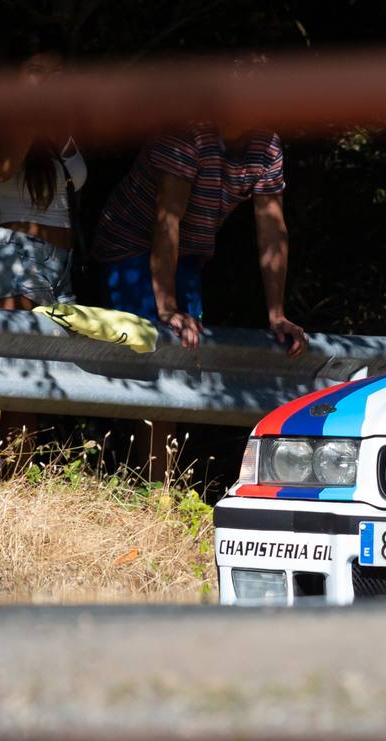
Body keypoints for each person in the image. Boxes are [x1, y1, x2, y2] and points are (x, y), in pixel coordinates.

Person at [92, 59, 308, 476]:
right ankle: (149, 484)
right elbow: (165, 222)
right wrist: (167, 306)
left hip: (190, 251)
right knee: (153, 354)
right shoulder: (188, 132)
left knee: (183, 358)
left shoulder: (268, 146)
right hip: (130, 244)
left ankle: (156, 482)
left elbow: (272, 230)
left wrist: (277, 315)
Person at [0, 43, 85, 448]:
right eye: (37, 71)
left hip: (61, 266)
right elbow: (2, 168)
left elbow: (76, 183)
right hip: (17, 259)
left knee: (31, 387)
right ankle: (6, 488)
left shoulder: (61, 127)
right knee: (17, 387)